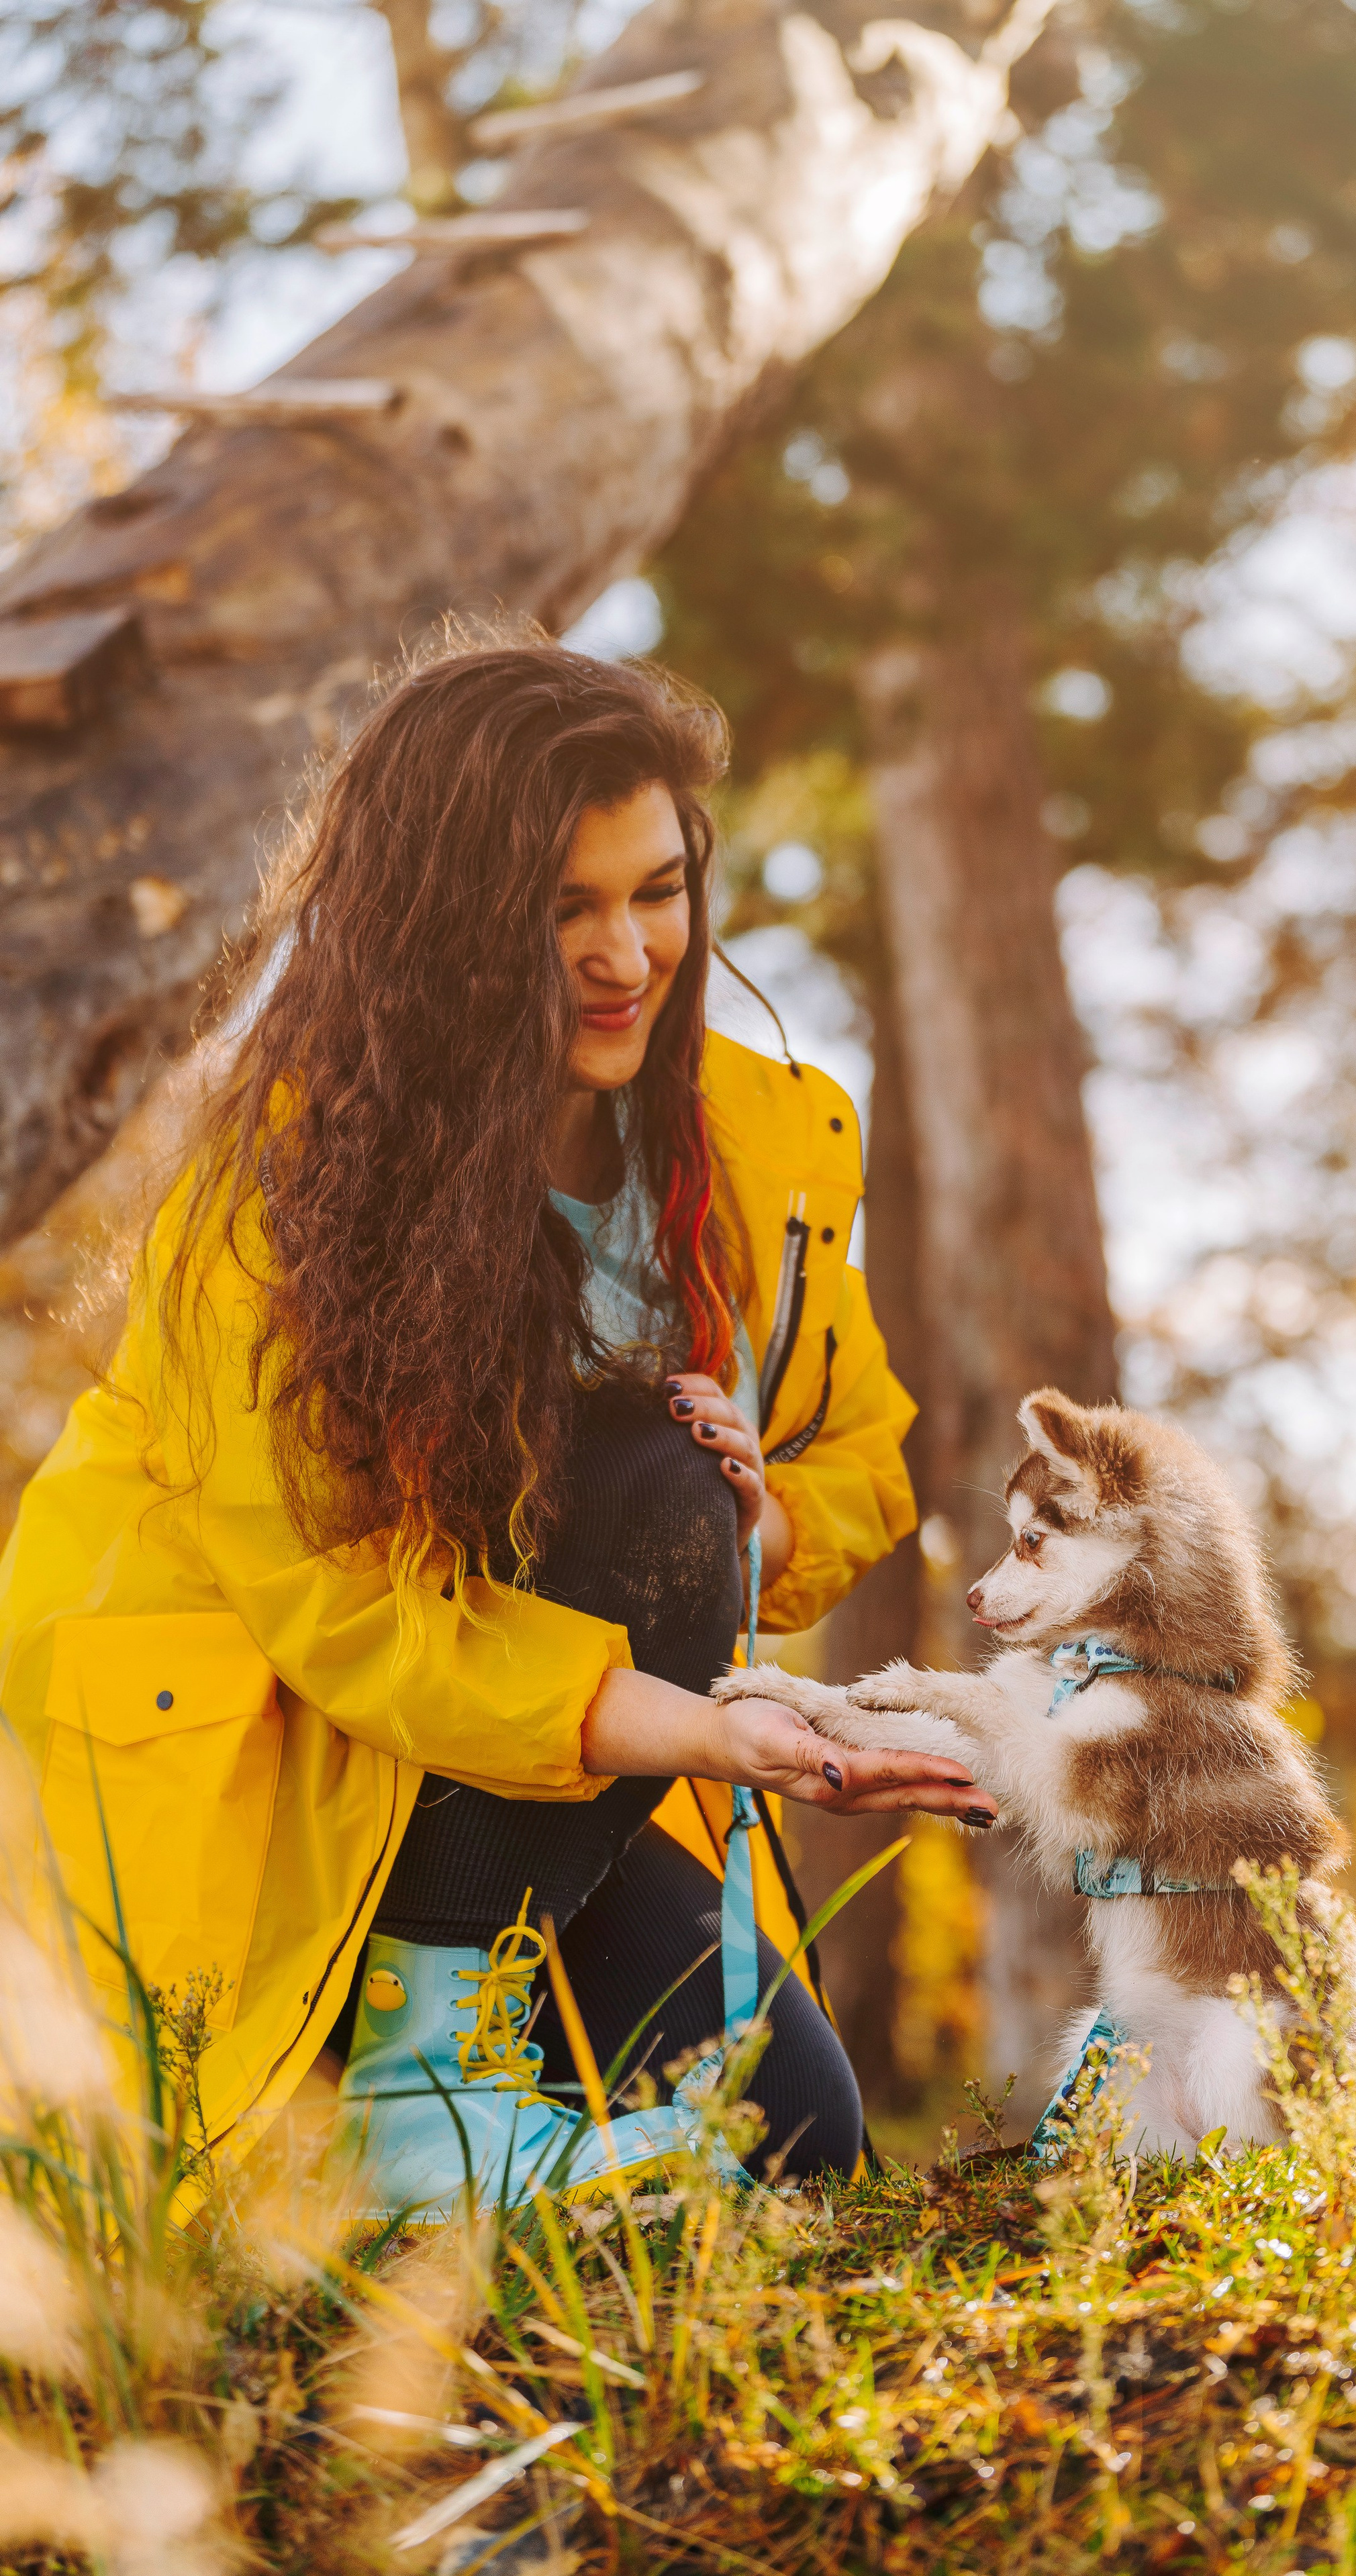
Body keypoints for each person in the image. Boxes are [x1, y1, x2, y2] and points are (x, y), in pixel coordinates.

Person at [0, 636, 996, 2210]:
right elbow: (347, 1619)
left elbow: (858, 1446)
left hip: (532, 1802)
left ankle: (470, 2099)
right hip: (287, 1789)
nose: (627, 955)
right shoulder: (276, 1193)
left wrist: (768, 1521)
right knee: (640, 1464)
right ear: (440, 928)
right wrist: (707, 1727)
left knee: (794, 2144)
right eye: (562, 909)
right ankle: (418, 2099)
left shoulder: (753, 1143)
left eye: (658, 889)